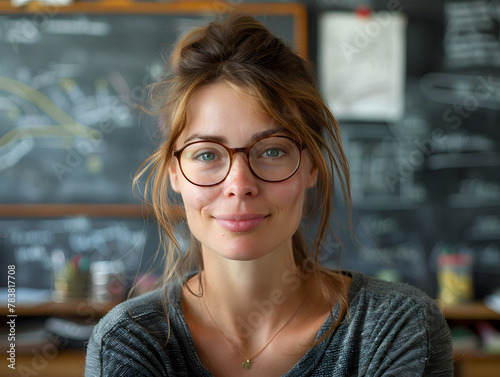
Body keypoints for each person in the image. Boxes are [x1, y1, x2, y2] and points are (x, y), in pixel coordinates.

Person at [85, 13, 453, 377]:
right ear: (175, 174)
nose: (240, 184)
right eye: (208, 154)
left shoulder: (397, 328)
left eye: (273, 150)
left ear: (311, 166)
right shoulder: (129, 341)